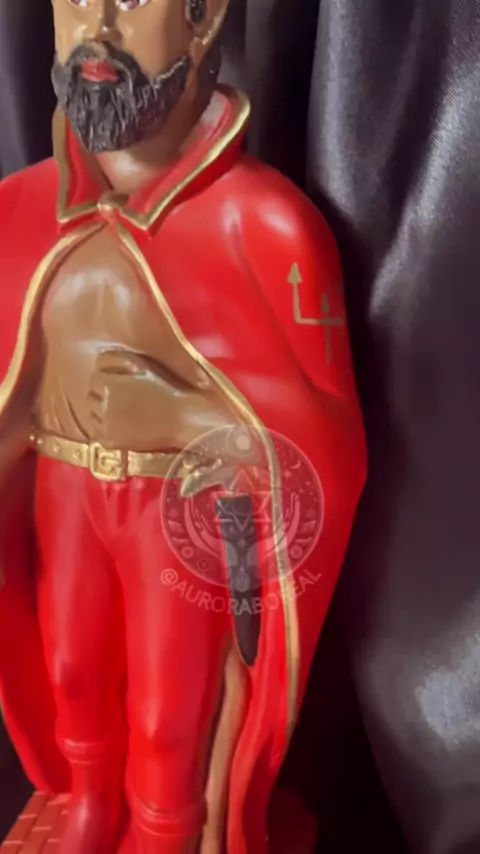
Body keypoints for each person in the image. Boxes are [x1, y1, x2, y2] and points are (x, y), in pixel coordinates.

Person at [0, 1, 365, 853]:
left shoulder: (265, 224)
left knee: (172, 710)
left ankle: (170, 828)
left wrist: (186, 416)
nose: (96, 29)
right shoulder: (16, 210)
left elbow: (323, 445)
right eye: (75, 0)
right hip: (62, 490)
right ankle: (89, 806)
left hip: (177, 509)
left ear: (202, 21)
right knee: (71, 673)